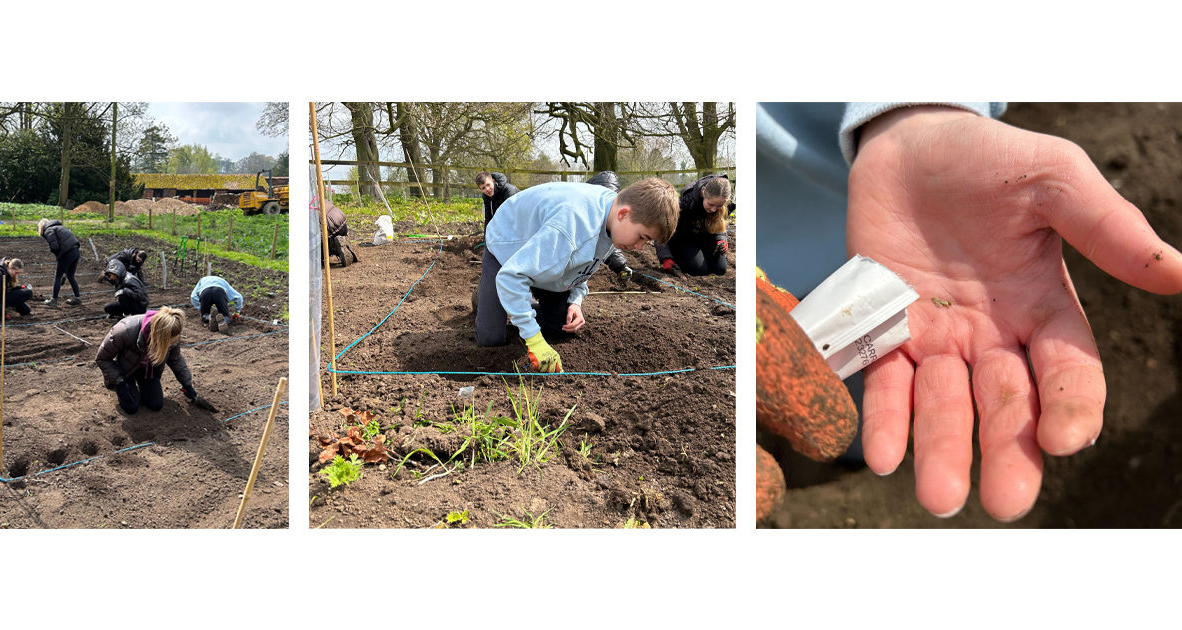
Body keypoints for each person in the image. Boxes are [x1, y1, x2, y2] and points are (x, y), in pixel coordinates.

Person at [758, 103, 1182, 522]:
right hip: (764, 277)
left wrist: (916, 111)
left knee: (872, 383)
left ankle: (852, 455)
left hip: (869, 217)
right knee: (830, 379)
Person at [475, 178, 678, 372]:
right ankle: (486, 297)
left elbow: (585, 261)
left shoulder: (612, 221)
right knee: (490, 339)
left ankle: (511, 299)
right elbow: (511, 275)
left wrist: (575, 302)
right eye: (642, 237)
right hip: (507, 250)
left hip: (548, 259)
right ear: (623, 214)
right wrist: (534, 340)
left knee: (560, 326)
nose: (640, 247)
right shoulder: (570, 227)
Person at [95, 306, 211, 415]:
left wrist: (187, 383)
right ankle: (119, 385)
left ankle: (140, 385)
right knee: (131, 407)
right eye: (168, 342)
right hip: (125, 370)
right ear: (158, 335)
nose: (171, 344)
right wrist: (119, 382)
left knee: (156, 404)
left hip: (147, 370)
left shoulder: (172, 333)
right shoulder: (125, 330)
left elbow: (175, 359)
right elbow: (102, 358)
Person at [657, 175, 733, 276]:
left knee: (720, 269)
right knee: (700, 270)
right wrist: (665, 257)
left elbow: (719, 224)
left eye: (718, 206)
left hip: (705, 237)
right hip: (684, 239)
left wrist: (721, 239)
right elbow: (661, 230)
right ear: (703, 194)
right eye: (710, 204)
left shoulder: (720, 200)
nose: (714, 209)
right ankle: (679, 256)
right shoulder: (685, 203)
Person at [37, 218, 82, 307]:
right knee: (70, 275)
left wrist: (59, 257)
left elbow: (54, 247)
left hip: (67, 253)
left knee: (58, 276)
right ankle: (77, 298)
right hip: (76, 251)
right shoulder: (60, 227)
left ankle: (54, 300)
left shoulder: (49, 230)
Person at [323, 200, 358, 266]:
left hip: (328, 225)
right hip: (340, 218)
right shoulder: (317, 197)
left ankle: (335, 248)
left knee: (321, 246)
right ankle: (344, 243)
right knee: (336, 235)